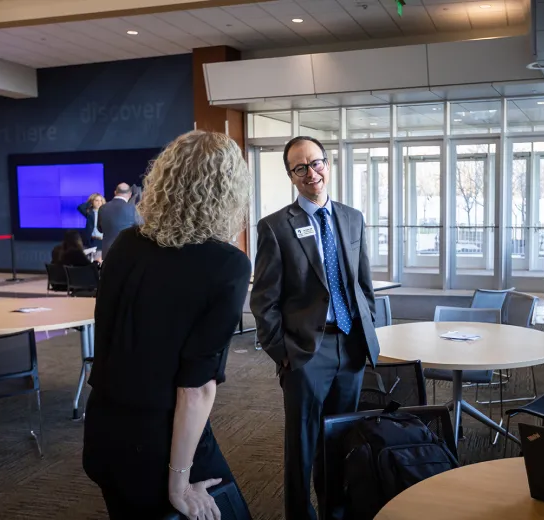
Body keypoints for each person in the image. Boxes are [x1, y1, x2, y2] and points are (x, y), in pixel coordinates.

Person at [83, 130, 253, 519]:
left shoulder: (125, 244)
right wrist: (179, 482)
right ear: (228, 193)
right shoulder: (228, 265)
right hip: (159, 444)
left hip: (104, 432)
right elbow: (196, 390)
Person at [250, 135, 380, 520]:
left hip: (350, 346)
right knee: (303, 443)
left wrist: (365, 327)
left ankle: (335, 511)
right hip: (306, 351)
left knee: (341, 439)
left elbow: (363, 283)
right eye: (300, 167)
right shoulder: (275, 227)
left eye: (317, 162)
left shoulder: (351, 217)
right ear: (291, 176)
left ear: (328, 163)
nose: (312, 173)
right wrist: (284, 353)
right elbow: (263, 301)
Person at [98, 182, 143, 259]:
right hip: (127, 252)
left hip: (107, 253)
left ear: (115, 192)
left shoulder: (102, 208)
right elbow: (141, 227)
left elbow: (100, 229)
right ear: (130, 194)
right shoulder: (132, 208)